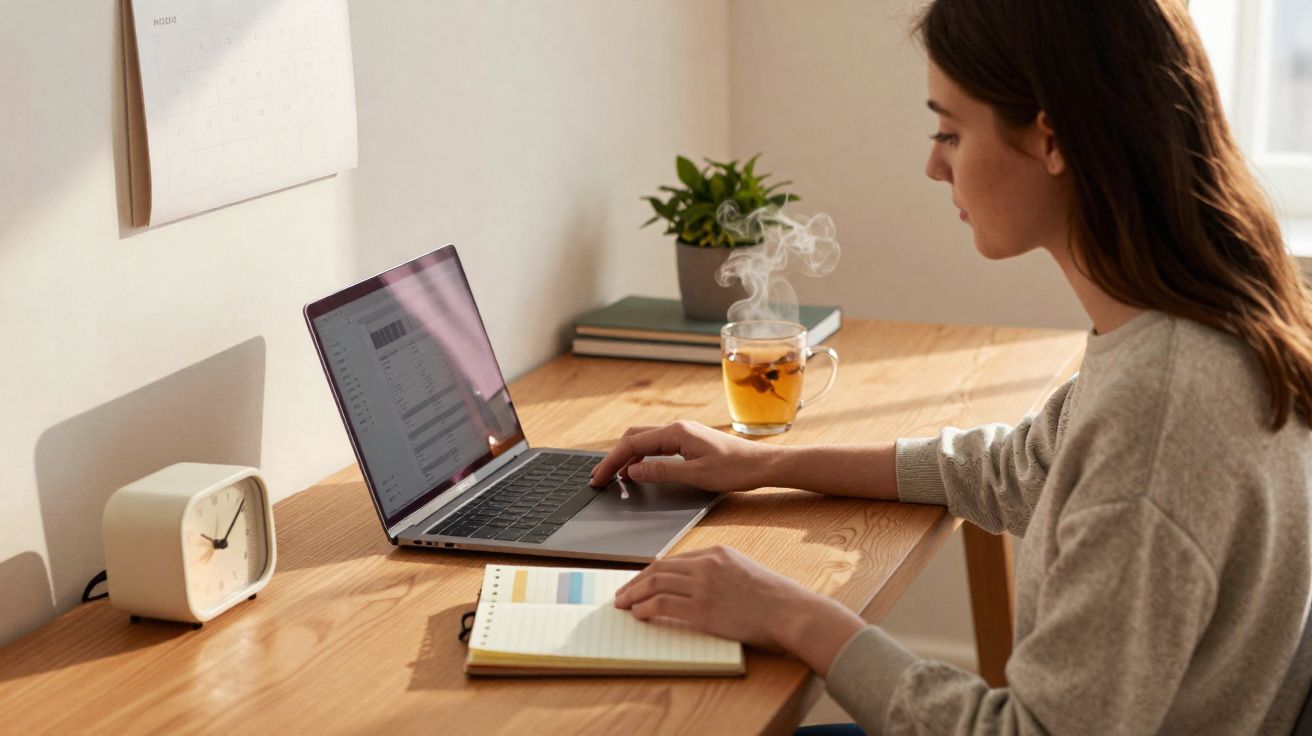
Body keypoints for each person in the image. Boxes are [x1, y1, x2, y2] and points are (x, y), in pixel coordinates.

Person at [588, 0, 1312, 733]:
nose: (933, 164)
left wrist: (793, 614)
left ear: (1051, 138)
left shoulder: (1160, 406)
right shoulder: (1186, 330)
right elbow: (1013, 471)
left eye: (950, 131)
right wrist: (761, 463)